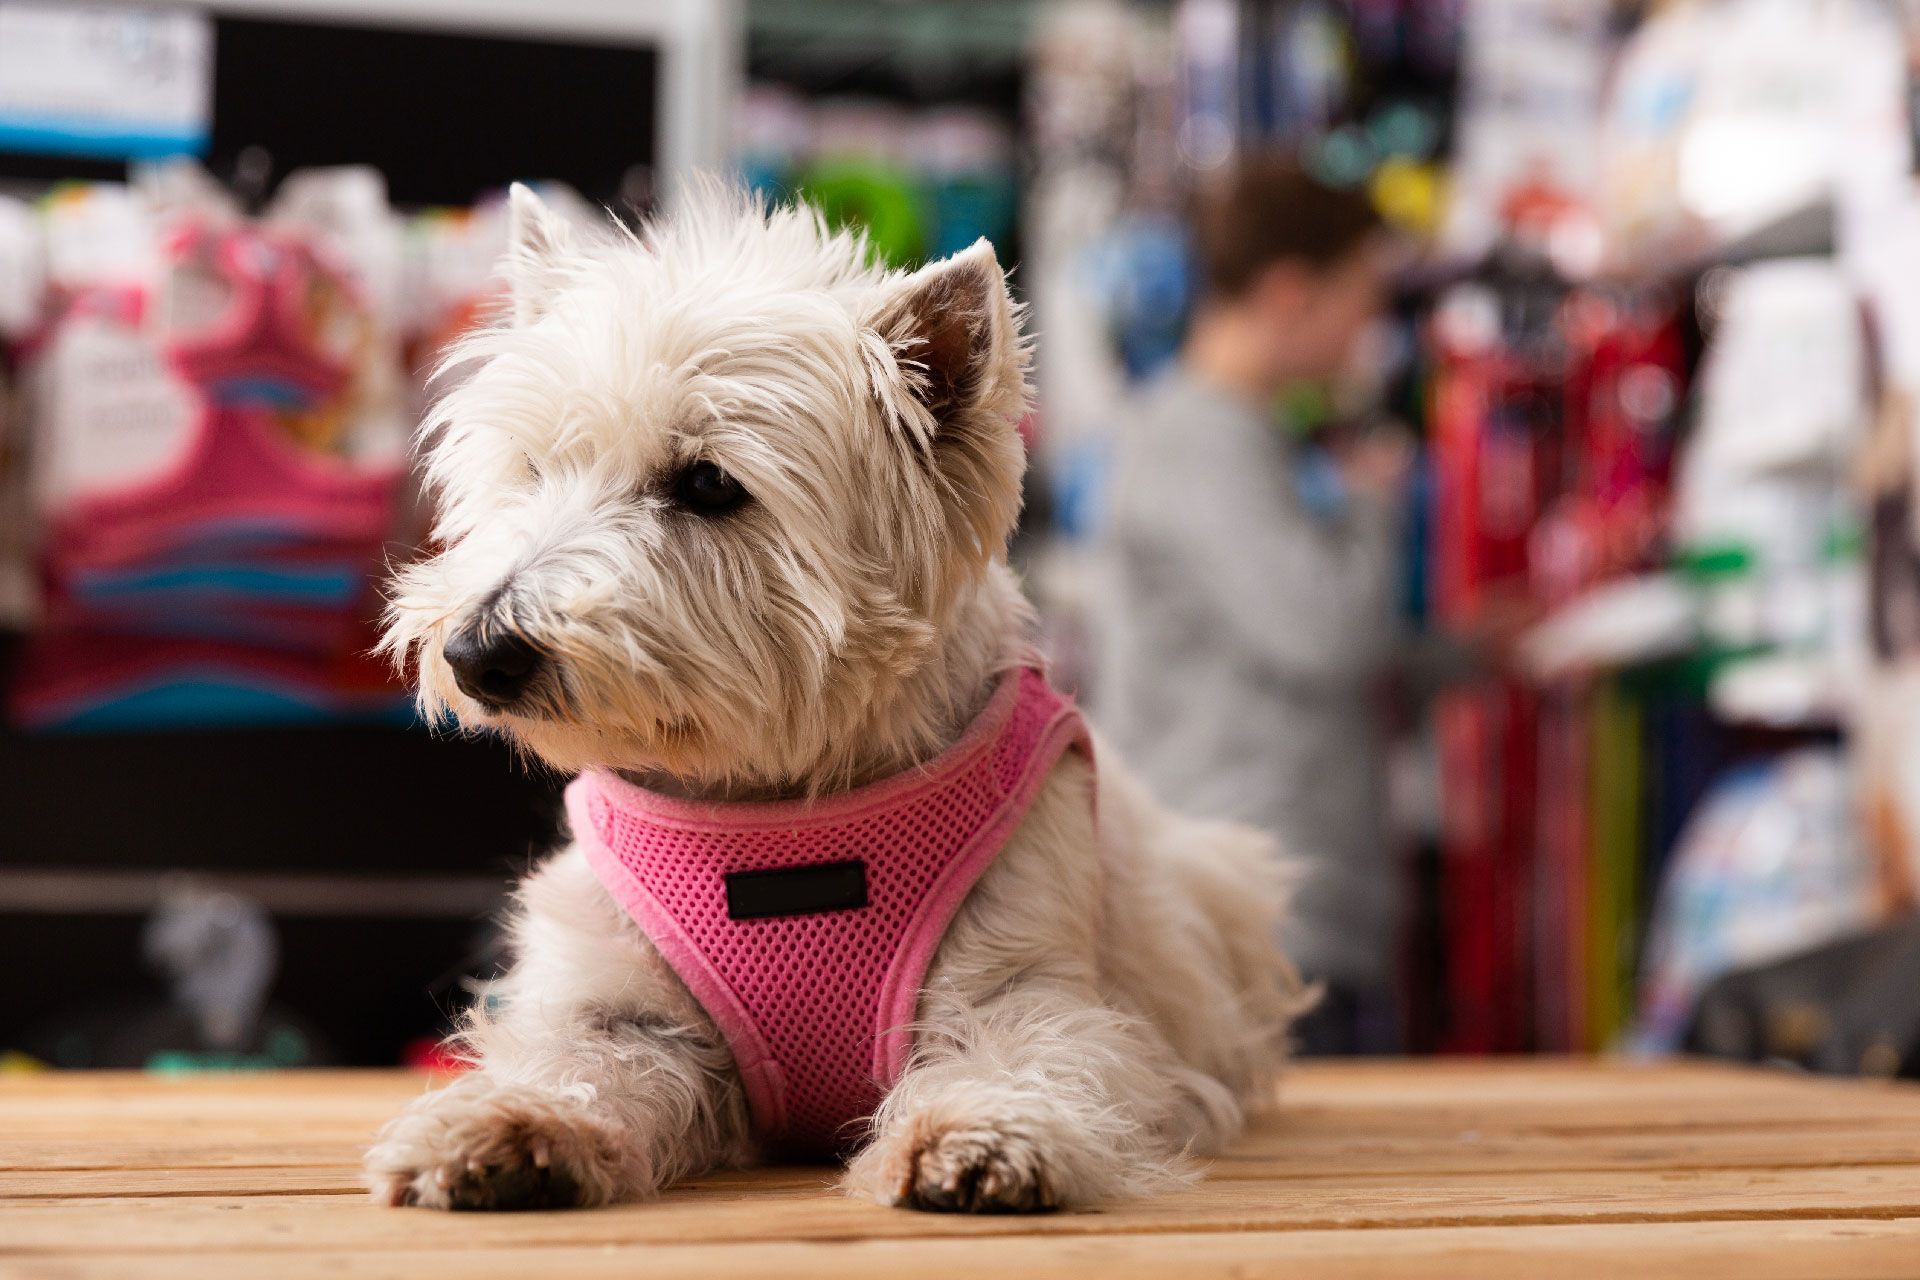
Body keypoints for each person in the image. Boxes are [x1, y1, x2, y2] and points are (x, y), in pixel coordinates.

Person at [1093, 156, 1486, 1055]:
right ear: (1289, 293)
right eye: (1363, 296)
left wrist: (1462, 656)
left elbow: (1262, 654)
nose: (1370, 330)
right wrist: (1375, 500)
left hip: (1273, 910)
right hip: (1258, 921)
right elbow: (1324, 634)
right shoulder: (1200, 442)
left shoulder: (1231, 437)